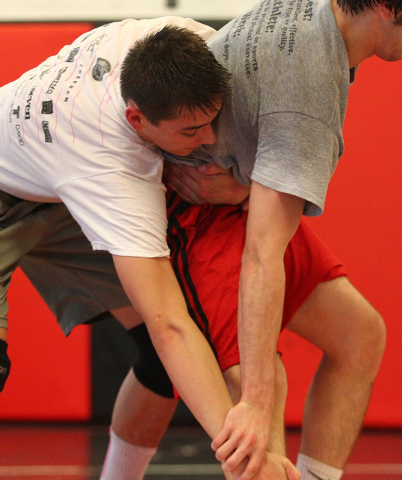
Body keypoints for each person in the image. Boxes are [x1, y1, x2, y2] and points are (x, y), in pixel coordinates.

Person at [96, 0, 395, 477]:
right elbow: (261, 254)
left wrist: (240, 181)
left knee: (359, 336)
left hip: (233, 194)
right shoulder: (308, 88)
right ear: (382, 9)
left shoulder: (315, 13)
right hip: (195, 210)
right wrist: (254, 401)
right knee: (256, 398)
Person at [0, 17, 287, 480]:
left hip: (55, 184)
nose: (210, 140)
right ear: (137, 118)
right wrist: (244, 458)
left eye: (212, 122)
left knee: (162, 361)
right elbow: (168, 325)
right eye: (191, 132)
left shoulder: (182, 37)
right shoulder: (112, 172)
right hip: (18, 193)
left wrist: (237, 180)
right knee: (171, 329)